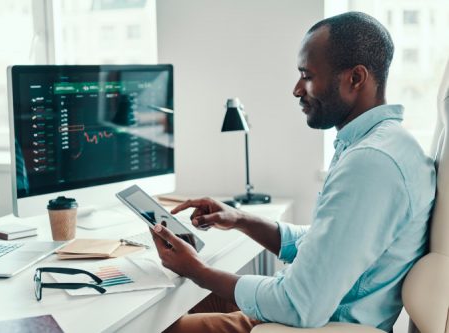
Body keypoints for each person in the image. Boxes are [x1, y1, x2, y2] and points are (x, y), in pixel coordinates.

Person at [150, 11, 436, 333]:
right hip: (308, 313)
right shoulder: (383, 145)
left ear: (355, 78)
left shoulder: (371, 163)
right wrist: (241, 219)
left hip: (312, 325)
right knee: (186, 305)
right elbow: (326, 242)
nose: (297, 89)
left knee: (156, 326)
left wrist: (196, 270)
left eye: (307, 75)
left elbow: (300, 306)